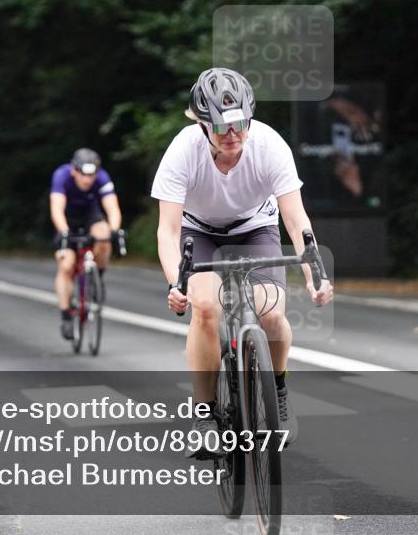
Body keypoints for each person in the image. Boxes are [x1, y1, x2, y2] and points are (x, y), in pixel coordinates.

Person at [152, 67, 333, 459]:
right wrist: (176, 284)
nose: (232, 134)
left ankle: (278, 391)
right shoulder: (183, 151)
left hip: (255, 228)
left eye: (240, 124)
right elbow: (167, 231)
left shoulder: (269, 145)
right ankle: (204, 416)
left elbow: (296, 221)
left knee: (271, 314)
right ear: (201, 124)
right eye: (220, 127)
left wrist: (314, 275)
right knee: (205, 309)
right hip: (198, 232)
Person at [50, 148, 124, 341]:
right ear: (74, 170)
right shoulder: (61, 176)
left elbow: (112, 207)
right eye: (83, 174)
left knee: (104, 234)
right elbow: (57, 208)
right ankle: (66, 315)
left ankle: (97, 277)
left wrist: (114, 230)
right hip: (67, 221)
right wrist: (64, 232)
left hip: (91, 217)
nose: (87, 180)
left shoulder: (102, 177)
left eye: (91, 175)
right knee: (66, 265)